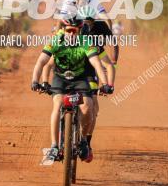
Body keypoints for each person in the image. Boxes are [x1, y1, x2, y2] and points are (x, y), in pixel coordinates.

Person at [31, 15, 113, 163]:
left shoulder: (85, 42)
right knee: (58, 104)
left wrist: (106, 84)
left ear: (79, 30)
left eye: (74, 31)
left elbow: (97, 64)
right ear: (64, 30)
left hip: (80, 79)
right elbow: (41, 62)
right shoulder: (56, 41)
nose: (71, 33)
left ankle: (82, 140)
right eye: (68, 30)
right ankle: (55, 145)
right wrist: (35, 81)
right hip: (60, 78)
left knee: (87, 107)